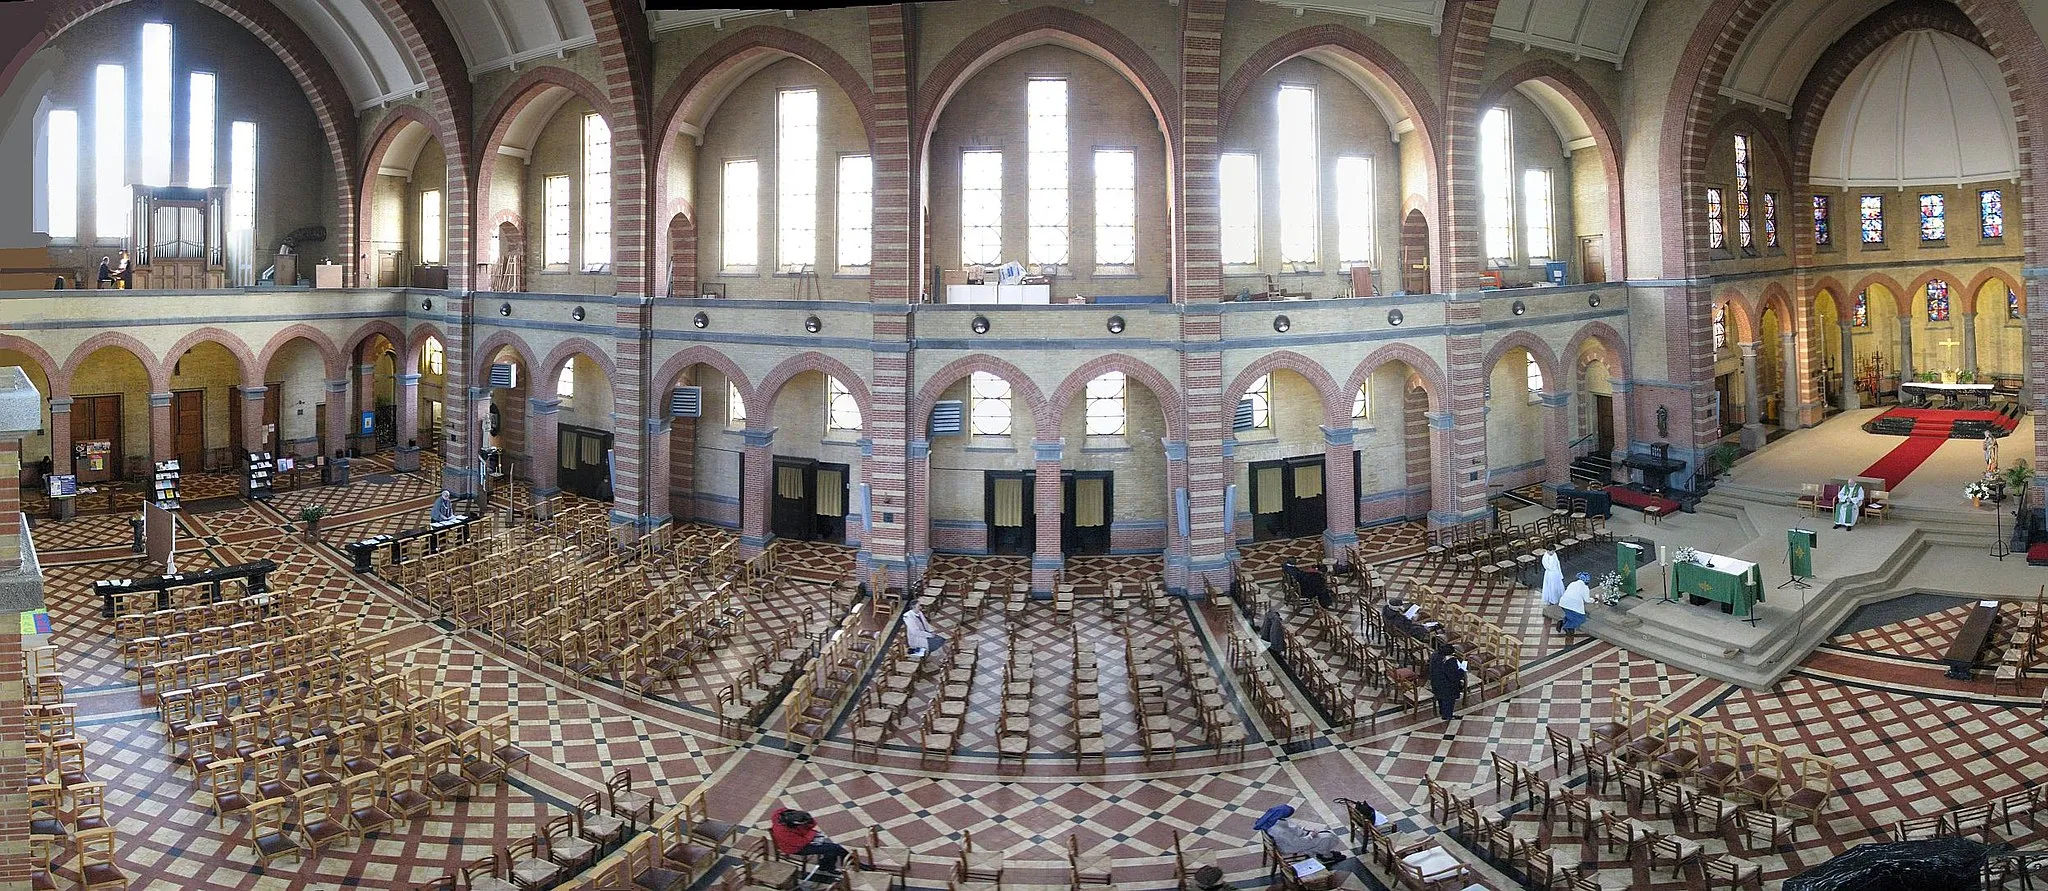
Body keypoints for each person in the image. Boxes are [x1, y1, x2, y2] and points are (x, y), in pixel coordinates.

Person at [768, 807, 847, 877]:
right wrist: (812, 833)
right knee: (834, 848)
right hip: (795, 848)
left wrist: (808, 822)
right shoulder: (782, 831)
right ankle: (842, 862)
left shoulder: (784, 814)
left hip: (803, 838)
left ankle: (827, 866)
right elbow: (801, 843)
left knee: (832, 848)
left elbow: (812, 824)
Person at [1252, 804, 1347, 861]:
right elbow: (1297, 842)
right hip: (1289, 846)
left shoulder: (1271, 821)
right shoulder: (1279, 830)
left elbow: (1290, 829)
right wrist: (1310, 835)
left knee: (1326, 833)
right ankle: (1325, 855)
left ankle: (1320, 851)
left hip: (1290, 841)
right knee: (1328, 838)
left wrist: (1305, 831)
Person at [1427, 643, 1465, 721]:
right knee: (1448, 701)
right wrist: (1463, 667)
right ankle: (1447, 716)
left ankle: (1443, 712)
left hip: (1435, 682)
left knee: (1441, 698)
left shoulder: (1435, 655)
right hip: (1447, 686)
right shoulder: (1450, 661)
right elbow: (1455, 676)